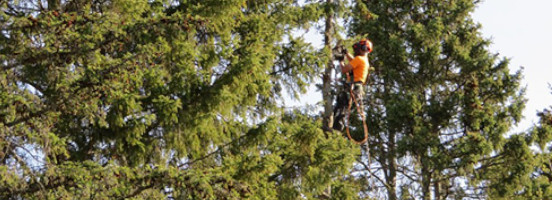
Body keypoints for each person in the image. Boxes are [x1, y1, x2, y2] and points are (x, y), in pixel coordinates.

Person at [333, 39, 373, 131]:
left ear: (363, 48)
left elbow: (344, 70)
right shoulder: (364, 60)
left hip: (354, 87)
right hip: (357, 88)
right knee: (342, 108)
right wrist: (346, 53)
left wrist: (341, 60)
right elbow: (353, 61)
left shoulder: (359, 59)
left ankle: (335, 130)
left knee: (341, 108)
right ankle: (336, 128)